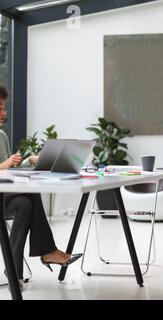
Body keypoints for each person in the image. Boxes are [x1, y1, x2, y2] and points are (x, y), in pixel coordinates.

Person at [0, 84, 82, 289]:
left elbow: (8, 174)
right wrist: (4, 164)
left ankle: (13, 271)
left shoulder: (2, 136)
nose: (3, 112)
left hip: (6, 197)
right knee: (31, 192)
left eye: (4, 107)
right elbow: (4, 167)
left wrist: (29, 161)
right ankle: (48, 252)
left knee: (25, 204)